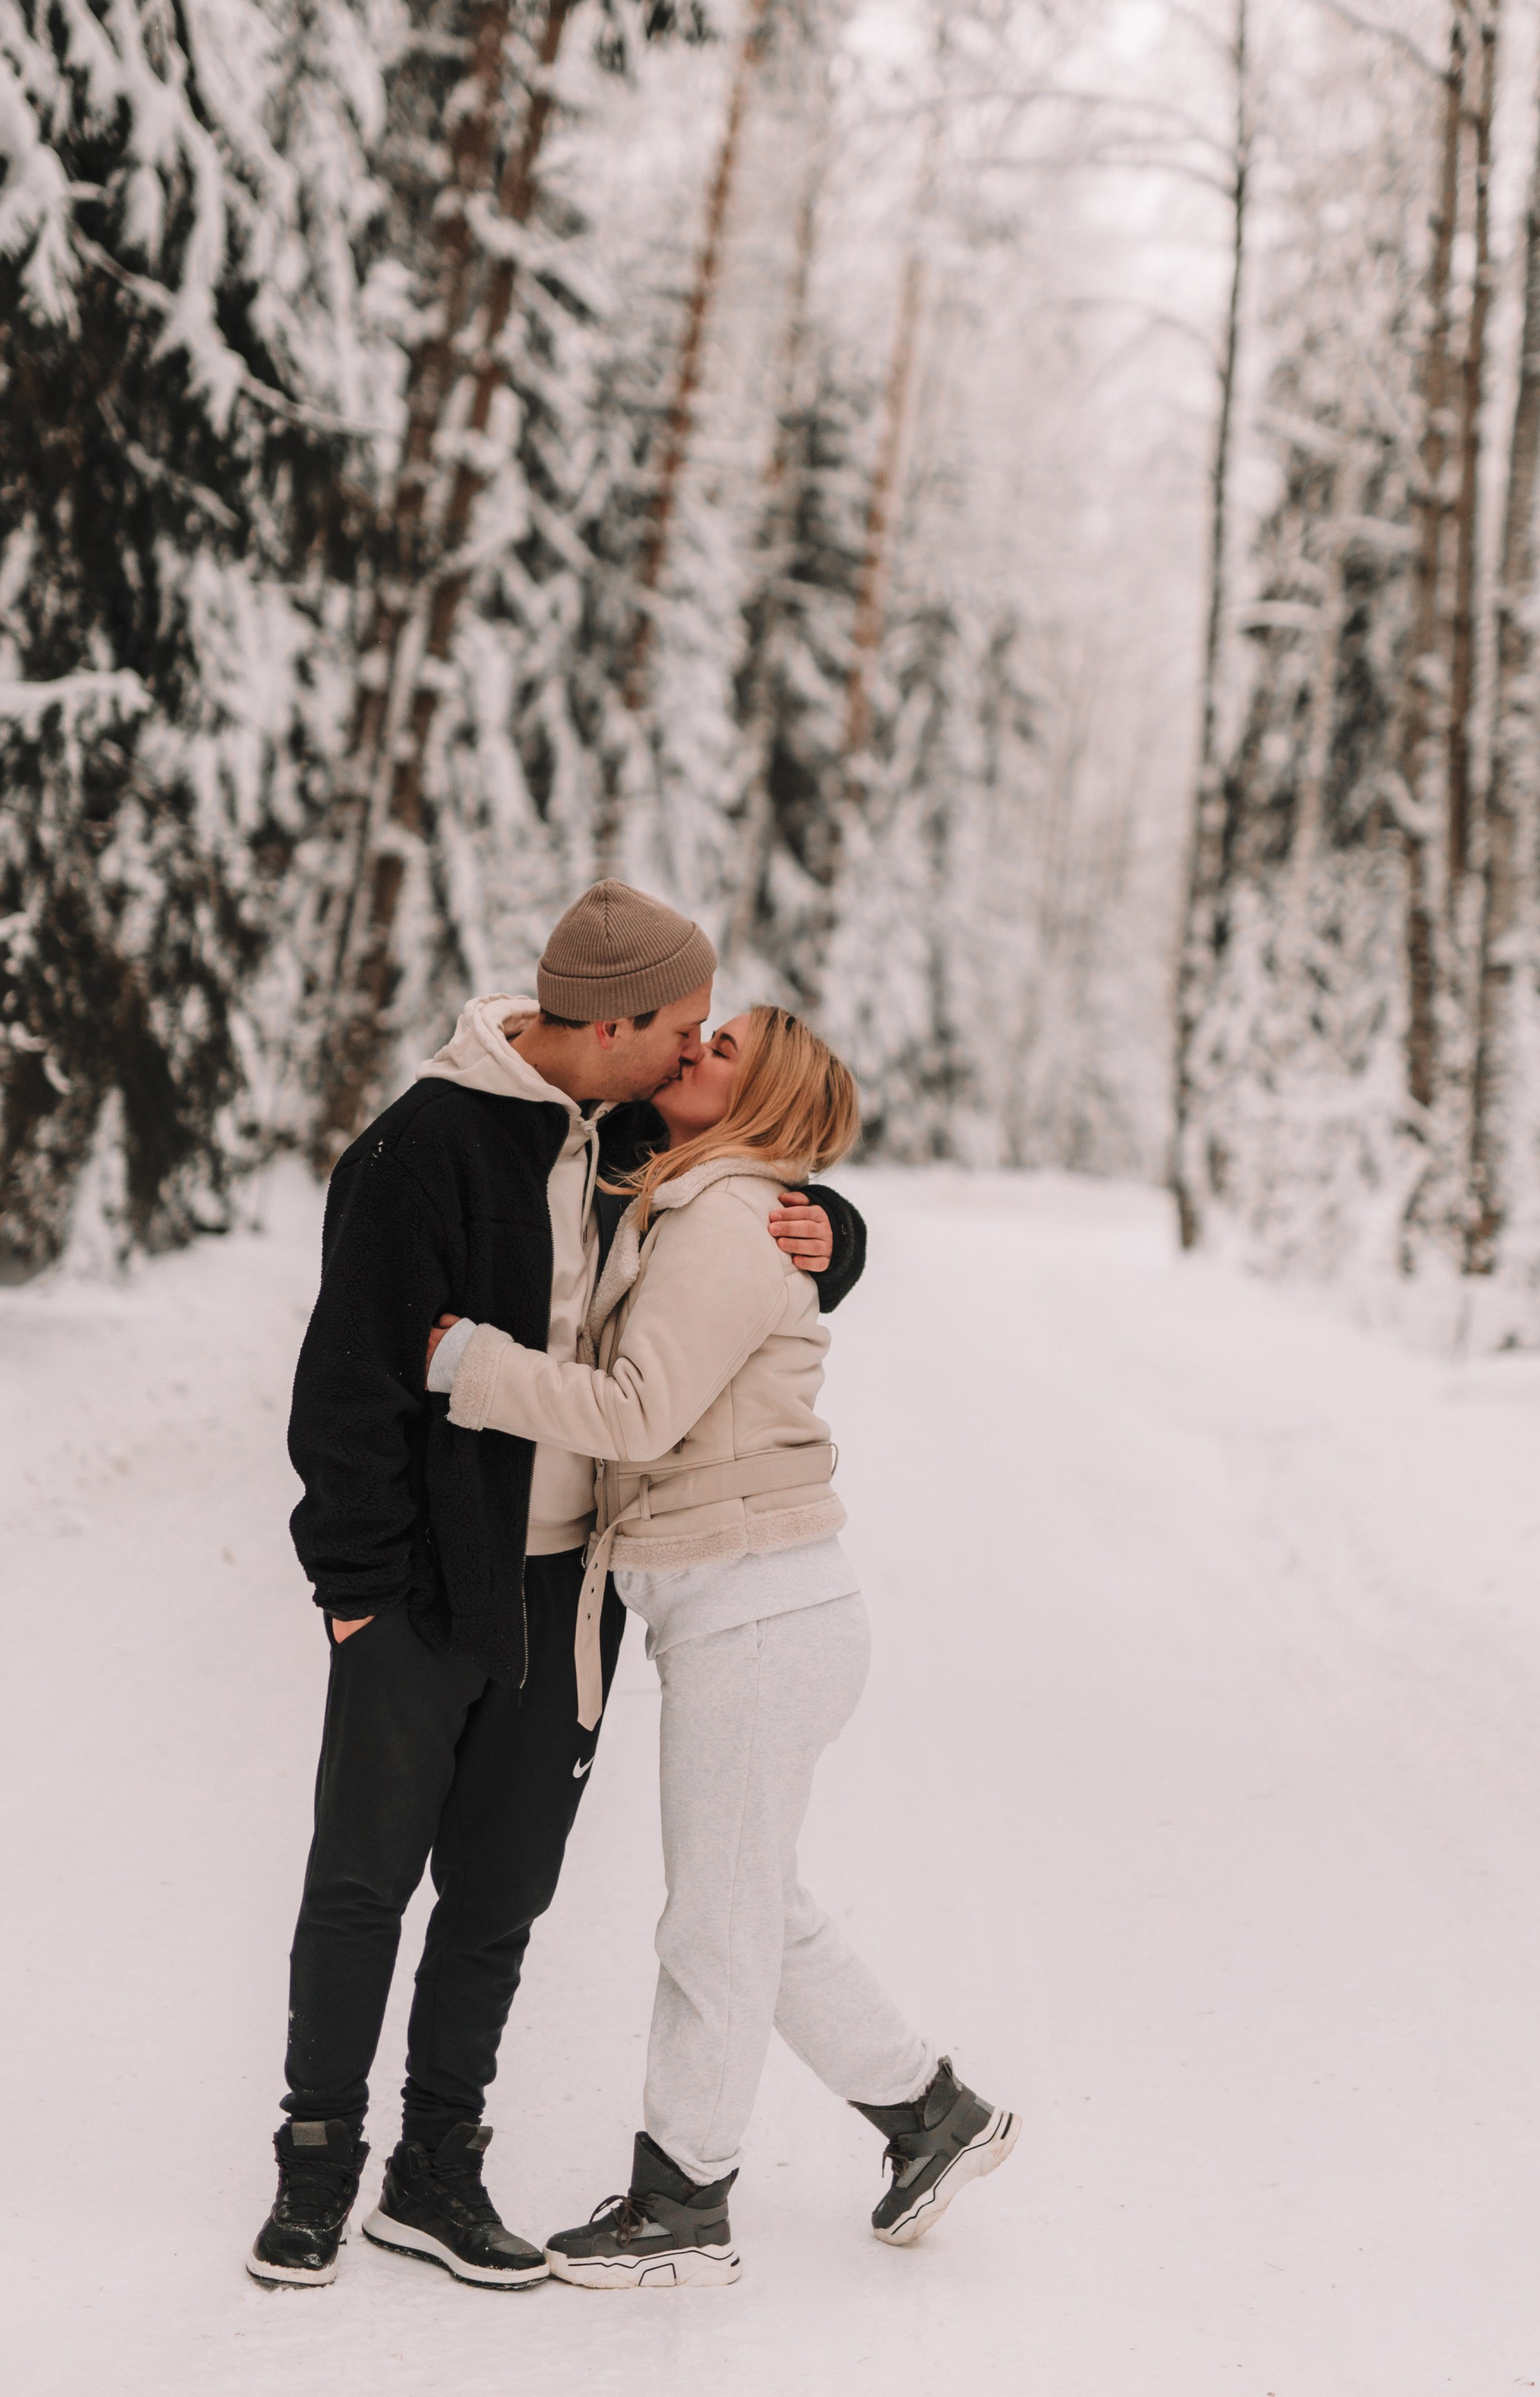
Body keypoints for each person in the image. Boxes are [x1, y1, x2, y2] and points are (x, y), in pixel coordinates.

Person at [247, 886, 870, 2292]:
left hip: (565, 1593)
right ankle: (314, 2167)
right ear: (614, 1024)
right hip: (416, 1588)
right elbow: (347, 1383)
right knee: (363, 1881)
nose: (695, 1050)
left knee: (500, 1893)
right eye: (684, 1029)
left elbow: (759, 1173)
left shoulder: (634, 1130)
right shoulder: (420, 1151)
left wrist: (834, 1229)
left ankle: (433, 2173)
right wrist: (355, 1589)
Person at [428, 1005, 1017, 2288]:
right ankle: (931, 2115)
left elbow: (637, 1414)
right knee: (756, 1904)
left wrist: (469, 1363)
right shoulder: (695, 1192)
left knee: (715, 1923)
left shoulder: (727, 1218)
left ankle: (683, 2200)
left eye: (724, 1050)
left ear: (764, 1102)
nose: (691, 1050)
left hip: (759, 1608)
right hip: (745, 1607)